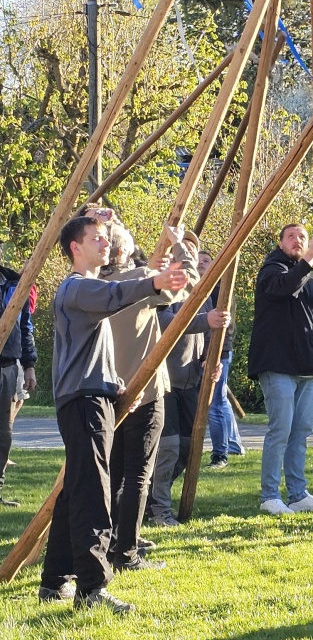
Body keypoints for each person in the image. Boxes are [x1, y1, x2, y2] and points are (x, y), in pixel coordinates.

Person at [38, 216, 189, 613]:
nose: (105, 244)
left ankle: (55, 581)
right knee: (93, 492)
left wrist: (113, 387)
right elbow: (115, 296)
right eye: (96, 239)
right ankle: (92, 589)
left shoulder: (87, 289)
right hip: (82, 402)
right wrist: (155, 281)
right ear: (76, 247)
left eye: (106, 238)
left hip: (93, 397)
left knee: (75, 490)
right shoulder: (76, 289)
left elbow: (92, 357)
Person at [105, 219, 199, 569]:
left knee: (113, 473)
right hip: (143, 391)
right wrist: (178, 245)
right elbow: (189, 283)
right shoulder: (134, 282)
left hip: (108, 391)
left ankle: (112, 540)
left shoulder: (95, 284)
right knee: (137, 475)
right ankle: (125, 553)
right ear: (123, 249)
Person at [248, 223, 313, 514]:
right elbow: (284, 289)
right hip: (278, 364)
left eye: (302, 237)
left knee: (301, 431)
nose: (297, 241)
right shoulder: (271, 269)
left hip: (305, 364)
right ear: (280, 242)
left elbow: (312, 308)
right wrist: (310, 256)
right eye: (291, 237)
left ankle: (298, 494)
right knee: (281, 430)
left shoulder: (309, 274)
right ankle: (269, 495)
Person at [146, 231, 229, 526]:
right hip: (162, 379)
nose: (190, 259)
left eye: (192, 253)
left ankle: (150, 500)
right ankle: (159, 511)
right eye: (185, 252)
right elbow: (163, 323)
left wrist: (211, 358)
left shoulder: (201, 292)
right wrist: (203, 321)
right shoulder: (163, 285)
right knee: (166, 448)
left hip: (190, 380)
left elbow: (210, 332)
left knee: (187, 447)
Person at [197, 248, 245, 469]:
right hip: (206, 350)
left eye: (206, 261)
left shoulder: (218, 289)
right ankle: (233, 444)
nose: (200, 264)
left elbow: (223, 325)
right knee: (221, 399)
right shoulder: (195, 288)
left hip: (218, 351)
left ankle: (220, 454)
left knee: (214, 402)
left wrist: (213, 354)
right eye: (197, 260)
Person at [0, 259, 37, 507]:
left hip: (8, 365)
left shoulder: (14, 282)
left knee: (4, 434)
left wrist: (29, 365)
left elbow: (25, 326)